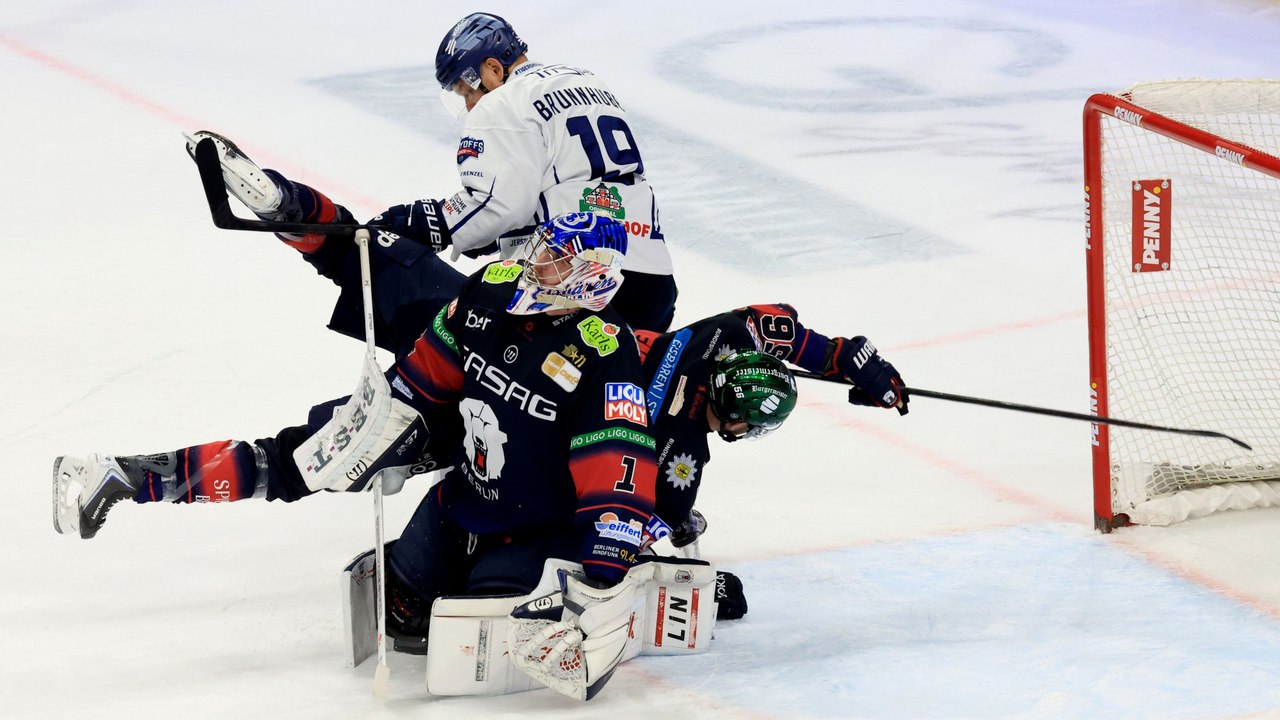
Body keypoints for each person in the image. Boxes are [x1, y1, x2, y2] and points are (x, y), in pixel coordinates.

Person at [53, 213, 660, 658]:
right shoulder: (494, 285)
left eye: (555, 260)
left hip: (539, 522)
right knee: (300, 462)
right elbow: (425, 374)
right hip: (461, 483)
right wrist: (375, 427)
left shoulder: (607, 353)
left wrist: (601, 571)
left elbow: (619, 471)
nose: (536, 264)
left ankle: (633, 560)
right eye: (541, 250)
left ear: (590, 277)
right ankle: (127, 477)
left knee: (486, 624)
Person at [189, 11, 677, 345]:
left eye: (466, 88)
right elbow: (560, 191)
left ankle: (295, 212)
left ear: (491, 68)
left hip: (567, 287)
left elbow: (498, 206)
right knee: (602, 402)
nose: (468, 103)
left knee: (399, 274)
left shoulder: (501, 102)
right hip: (652, 284)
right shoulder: (586, 82)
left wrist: (421, 222)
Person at [632, 303, 909, 619]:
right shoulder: (682, 466)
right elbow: (618, 546)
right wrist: (696, 589)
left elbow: (769, 324)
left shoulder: (724, 337)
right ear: (736, 422)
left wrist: (839, 357)